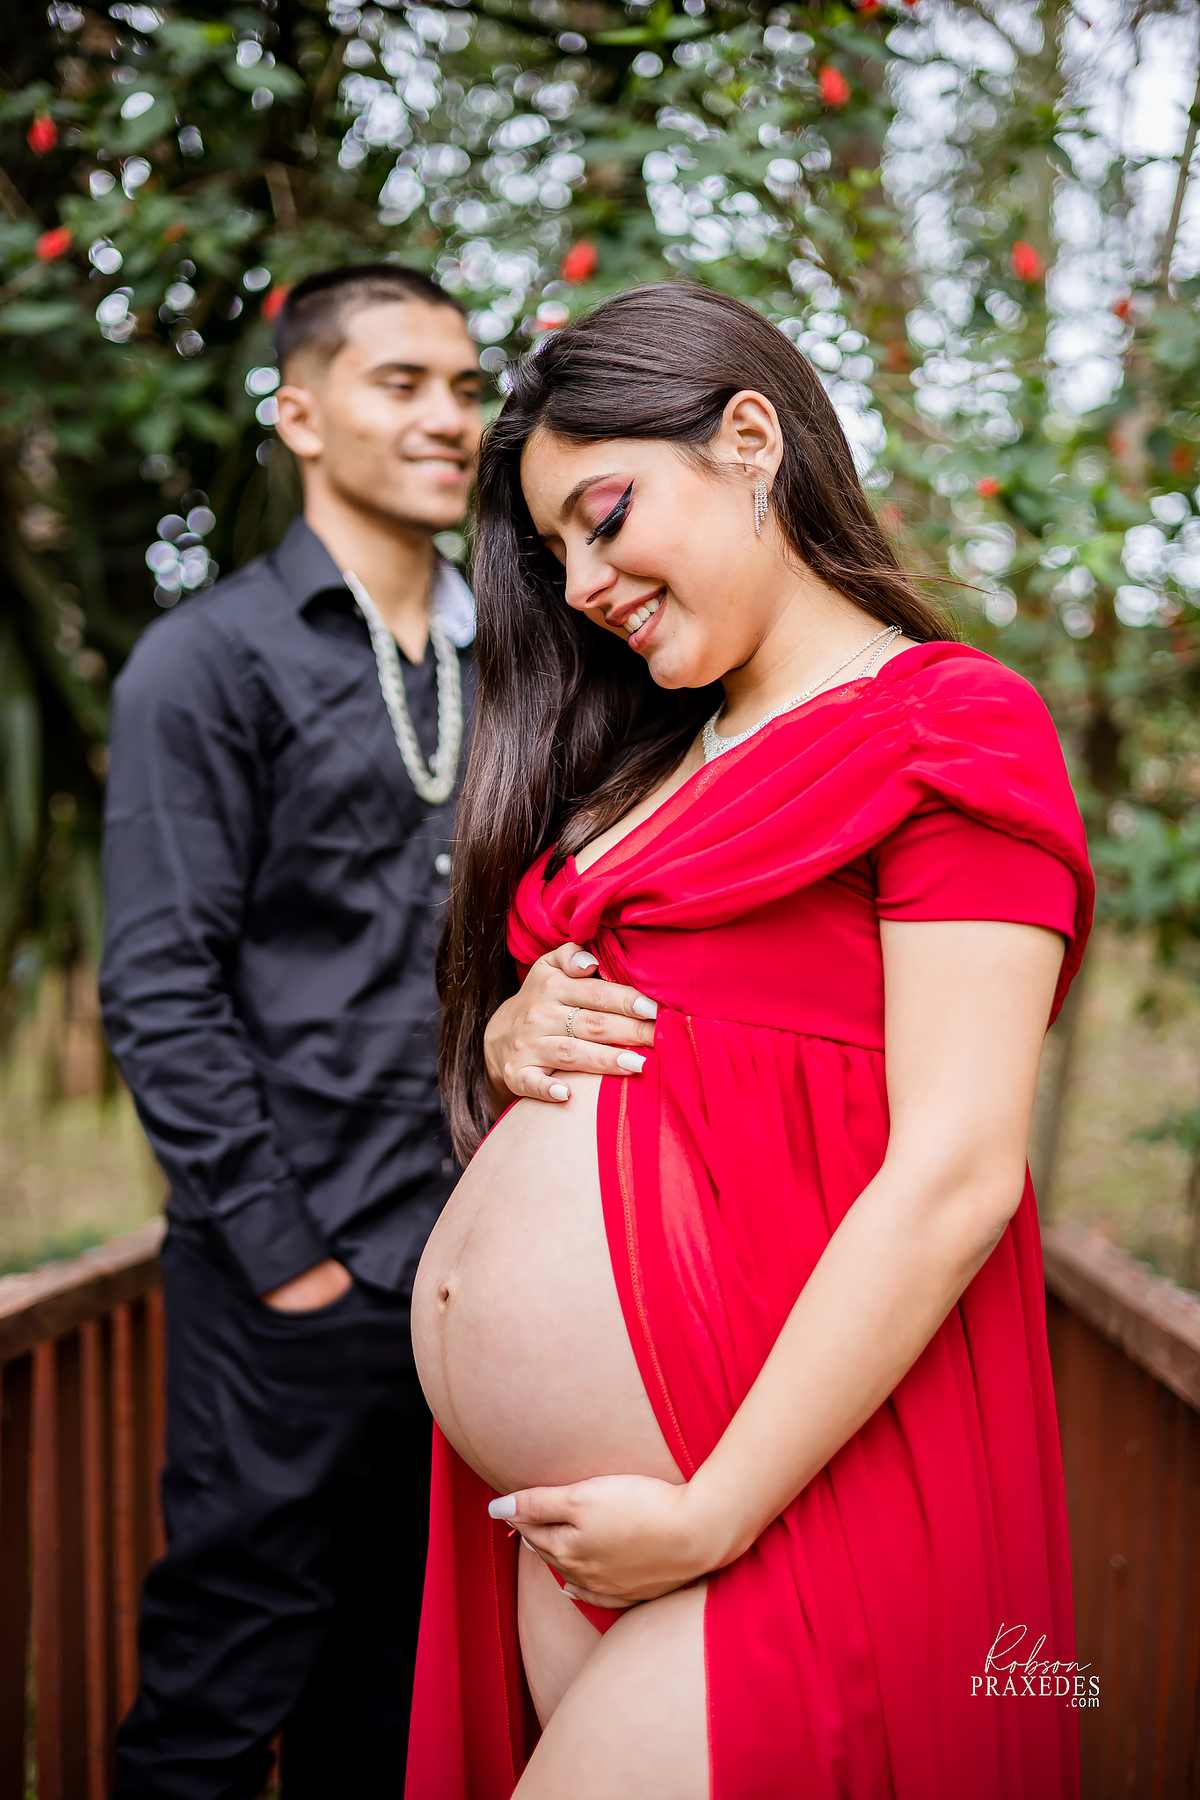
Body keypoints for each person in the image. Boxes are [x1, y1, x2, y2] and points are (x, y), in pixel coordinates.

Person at [405, 283, 1094, 1799]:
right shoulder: (655, 755)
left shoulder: (949, 723)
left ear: (747, 436)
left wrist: (717, 1509)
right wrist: (519, 1027)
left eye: (604, 515)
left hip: (776, 1498)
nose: (583, 581)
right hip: (580, 1516)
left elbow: (960, 1172)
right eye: (554, 552)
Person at [101, 262, 499, 1799]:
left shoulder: (512, 659)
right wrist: (289, 1262)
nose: (447, 418)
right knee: (221, 1685)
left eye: (465, 388)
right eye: (402, 383)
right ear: (301, 411)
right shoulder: (205, 664)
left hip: (476, 1288)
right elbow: (159, 986)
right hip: (294, 1278)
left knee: (397, 1707)